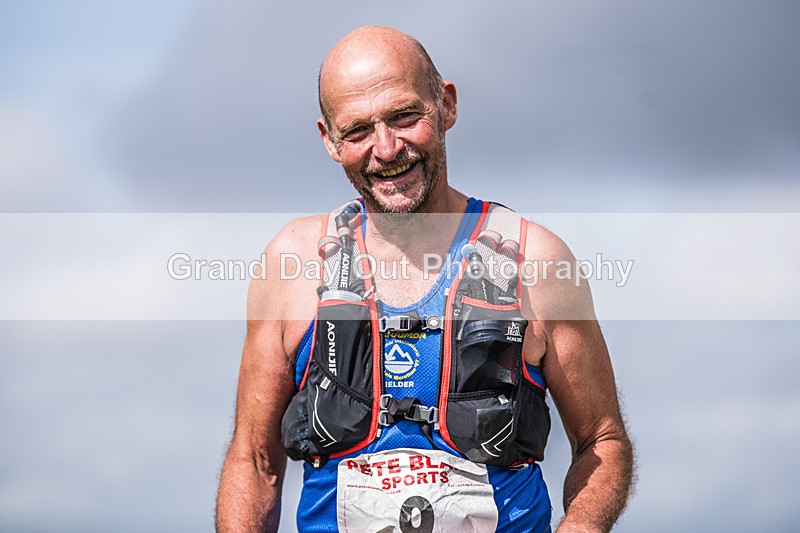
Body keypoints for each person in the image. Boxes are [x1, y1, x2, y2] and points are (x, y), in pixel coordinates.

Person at [216, 26, 633, 533]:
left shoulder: (534, 261)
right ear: (329, 140)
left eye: (404, 117)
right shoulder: (294, 262)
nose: (387, 149)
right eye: (358, 131)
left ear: (447, 105)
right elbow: (255, 461)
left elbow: (601, 441)